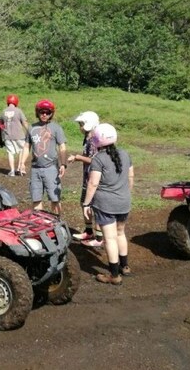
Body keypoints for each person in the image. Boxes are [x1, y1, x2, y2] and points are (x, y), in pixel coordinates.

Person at [82, 123, 134, 285]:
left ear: (97, 140)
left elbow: (93, 184)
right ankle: (125, 267)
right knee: (120, 233)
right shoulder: (125, 154)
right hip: (124, 201)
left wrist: (86, 204)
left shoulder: (98, 159)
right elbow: (130, 177)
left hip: (106, 204)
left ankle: (114, 275)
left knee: (110, 238)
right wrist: (125, 193)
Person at [19, 99, 67, 216]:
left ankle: (57, 223)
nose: (44, 115)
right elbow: (26, 147)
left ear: (51, 113)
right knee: (36, 198)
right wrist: (22, 163)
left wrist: (63, 164)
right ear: (37, 112)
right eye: (42, 112)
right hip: (35, 168)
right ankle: (39, 225)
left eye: (47, 112)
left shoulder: (56, 128)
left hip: (51, 168)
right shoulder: (32, 128)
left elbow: (62, 147)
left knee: (54, 198)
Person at [67, 111, 102, 247]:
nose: (79, 127)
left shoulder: (93, 140)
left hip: (93, 179)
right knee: (84, 204)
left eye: (81, 124)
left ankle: (99, 239)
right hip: (86, 178)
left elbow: (94, 160)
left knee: (94, 207)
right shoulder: (88, 138)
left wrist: (77, 157)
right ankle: (89, 231)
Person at [2, 94, 29, 177]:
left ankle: (12, 171)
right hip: (19, 135)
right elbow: (24, 122)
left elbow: (1, 123)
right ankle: (20, 168)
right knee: (22, 150)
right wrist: (30, 131)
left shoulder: (3, 111)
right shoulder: (18, 111)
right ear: (16, 102)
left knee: (10, 153)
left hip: (7, 136)